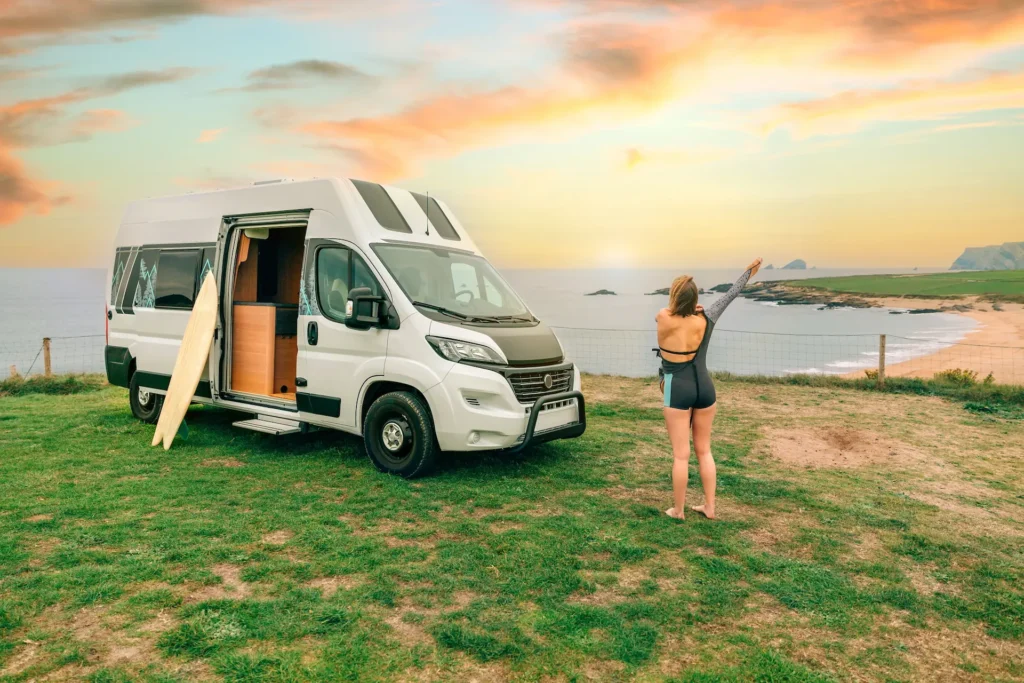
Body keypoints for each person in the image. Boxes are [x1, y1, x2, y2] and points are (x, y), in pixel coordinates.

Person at [656, 258, 763, 520]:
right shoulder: (707, 318)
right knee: (705, 450)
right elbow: (731, 294)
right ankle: (710, 507)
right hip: (705, 387)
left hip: (676, 388)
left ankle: (678, 510)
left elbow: (671, 311)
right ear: (695, 299)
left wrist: (687, 307)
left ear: (674, 296)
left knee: (681, 455)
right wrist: (749, 272)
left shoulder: (663, 318)